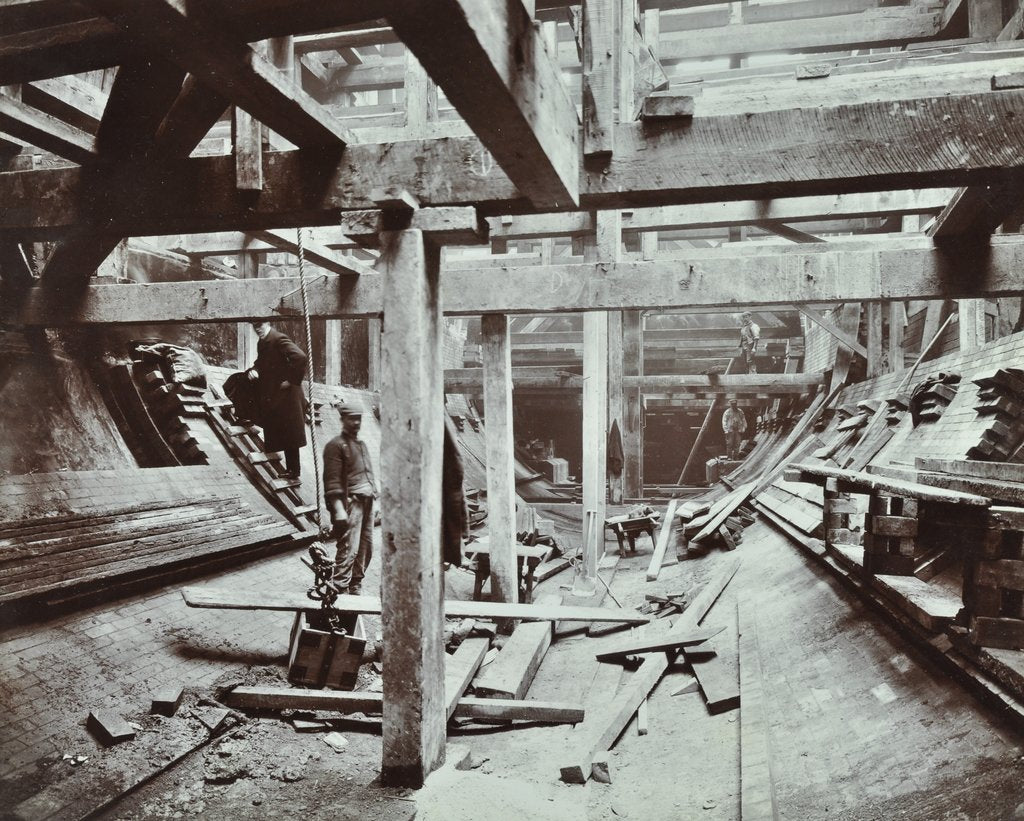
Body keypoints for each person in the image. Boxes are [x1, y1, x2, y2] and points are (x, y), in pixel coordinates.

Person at [323, 402, 377, 596]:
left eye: (358, 418)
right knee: (348, 550)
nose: (356, 422)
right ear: (342, 420)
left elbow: (367, 474)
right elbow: (332, 482)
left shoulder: (360, 445)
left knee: (365, 549)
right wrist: (338, 510)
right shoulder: (336, 446)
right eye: (351, 418)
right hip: (351, 504)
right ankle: (337, 591)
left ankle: (355, 586)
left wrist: (374, 497)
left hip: (367, 502)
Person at [247, 321, 308, 480]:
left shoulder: (278, 338)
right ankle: (292, 470)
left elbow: (300, 357)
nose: (257, 329)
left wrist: (292, 380)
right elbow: (261, 362)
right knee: (286, 431)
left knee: (291, 434)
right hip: (277, 394)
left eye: (260, 325)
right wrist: (254, 370)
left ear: (268, 323)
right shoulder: (263, 342)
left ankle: (294, 471)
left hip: (289, 394)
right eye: (254, 327)